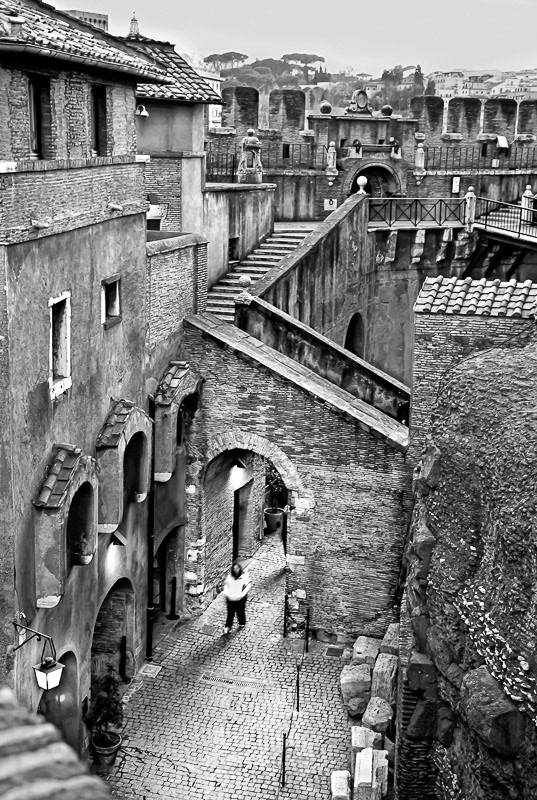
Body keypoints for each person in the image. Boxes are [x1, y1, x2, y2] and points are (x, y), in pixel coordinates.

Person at [222, 561, 251, 635]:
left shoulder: (244, 576)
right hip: (230, 598)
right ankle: (228, 627)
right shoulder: (230, 577)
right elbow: (226, 585)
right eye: (235, 569)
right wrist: (226, 593)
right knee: (230, 613)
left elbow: (247, 586)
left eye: (237, 568)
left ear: (240, 569)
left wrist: (242, 595)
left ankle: (242, 622)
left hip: (240, 598)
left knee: (240, 611)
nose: (236, 570)